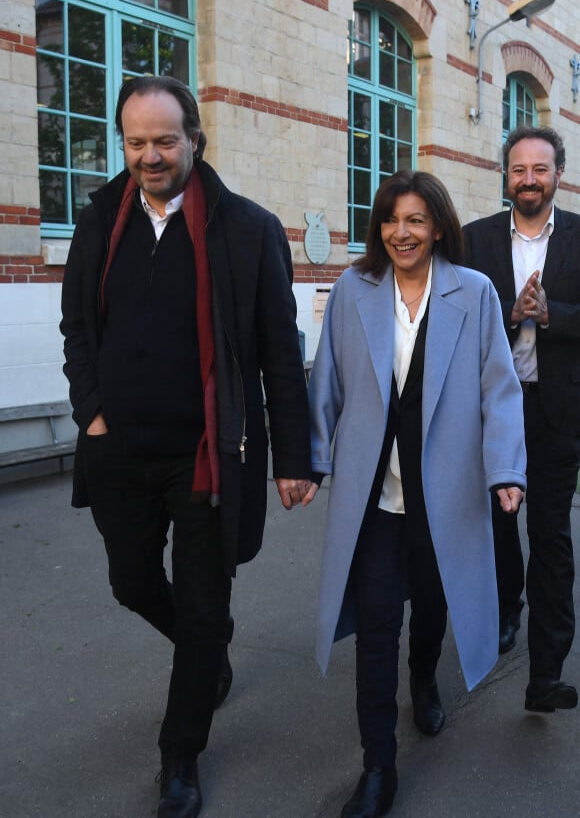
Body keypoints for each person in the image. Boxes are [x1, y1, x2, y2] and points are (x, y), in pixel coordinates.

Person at [60, 75, 311, 818]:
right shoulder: (100, 216)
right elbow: (77, 325)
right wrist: (92, 412)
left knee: (201, 611)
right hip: (119, 452)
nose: (149, 156)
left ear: (195, 139)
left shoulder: (247, 229)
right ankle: (208, 652)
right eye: (135, 142)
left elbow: (276, 355)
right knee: (132, 584)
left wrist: (294, 458)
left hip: (211, 456)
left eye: (164, 140)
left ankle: (180, 755)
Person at [303, 171, 526, 818]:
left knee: (431, 605)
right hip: (373, 498)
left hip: (444, 495)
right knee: (376, 627)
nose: (402, 232)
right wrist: (311, 463)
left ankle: (424, 674)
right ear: (378, 227)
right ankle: (379, 768)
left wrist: (505, 470)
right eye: (391, 220)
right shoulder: (354, 289)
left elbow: (500, 390)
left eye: (417, 220)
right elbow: (329, 381)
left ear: (438, 226)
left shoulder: (474, 292)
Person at [464, 125, 580, 714]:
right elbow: (453, 319)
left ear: (558, 173)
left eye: (540, 168)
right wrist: (510, 318)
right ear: (505, 176)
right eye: (518, 170)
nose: (529, 179)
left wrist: (550, 313)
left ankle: (547, 670)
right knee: (495, 524)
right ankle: (507, 605)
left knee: (551, 535)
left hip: (559, 412)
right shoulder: (475, 240)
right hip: (492, 410)